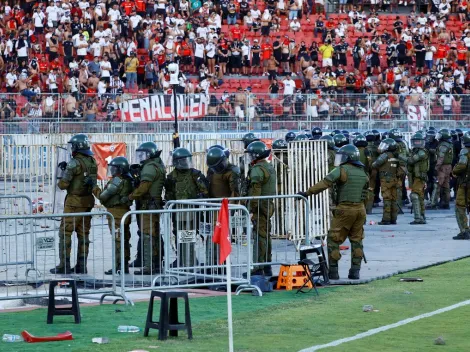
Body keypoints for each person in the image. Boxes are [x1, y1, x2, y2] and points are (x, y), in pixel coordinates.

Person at [298, 145, 368, 280]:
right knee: (357, 240)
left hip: (345, 209)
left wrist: (307, 193)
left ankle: (334, 272)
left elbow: (325, 183)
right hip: (360, 209)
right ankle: (355, 271)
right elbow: (366, 193)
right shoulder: (363, 172)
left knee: (333, 240)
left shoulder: (342, 170)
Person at [50, 134, 98, 274]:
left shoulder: (73, 163)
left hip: (73, 203)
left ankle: (64, 265)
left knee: (65, 233)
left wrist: (64, 171)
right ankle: (82, 266)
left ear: (76, 147)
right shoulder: (92, 161)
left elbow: (63, 185)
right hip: (87, 201)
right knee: (84, 234)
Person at [126, 142, 166, 275]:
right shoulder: (157, 164)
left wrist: (130, 196)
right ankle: (157, 263)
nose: (141, 157)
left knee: (147, 235)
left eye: (143, 154)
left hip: (148, 205)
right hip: (153, 204)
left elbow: (144, 188)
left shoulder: (149, 167)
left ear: (149, 154)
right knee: (154, 234)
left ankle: (149, 267)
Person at [165, 148, 209, 267]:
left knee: (190, 234)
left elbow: (205, 190)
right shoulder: (171, 176)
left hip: (192, 211)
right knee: (178, 234)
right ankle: (181, 258)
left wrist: (199, 197)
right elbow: (169, 194)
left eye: (187, 160)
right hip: (178, 211)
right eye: (182, 161)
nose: (185, 163)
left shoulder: (196, 174)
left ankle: (190, 259)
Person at [94, 157, 133, 274]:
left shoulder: (117, 181)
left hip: (116, 214)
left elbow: (102, 197)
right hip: (124, 213)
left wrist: (94, 187)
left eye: (114, 168)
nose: (112, 171)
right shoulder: (127, 180)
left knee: (118, 241)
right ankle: (124, 265)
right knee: (124, 239)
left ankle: (119, 266)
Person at [206, 145, 240, 268]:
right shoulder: (212, 169)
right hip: (212, 207)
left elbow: (235, 192)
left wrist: (230, 209)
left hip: (224, 208)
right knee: (211, 235)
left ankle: (222, 261)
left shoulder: (232, 171)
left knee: (222, 236)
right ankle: (212, 261)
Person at [245, 141, 276, 276]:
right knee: (265, 235)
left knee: (259, 236)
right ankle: (266, 265)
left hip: (259, 207)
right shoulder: (269, 167)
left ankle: (258, 267)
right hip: (268, 205)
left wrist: (251, 209)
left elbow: (255, 192)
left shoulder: (257, 169)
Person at [372, 138, 399, 225]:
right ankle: (393, 219)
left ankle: (386, 219)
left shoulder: (385, 155)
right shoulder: (395, 156)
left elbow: (375, 164)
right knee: (393, 199)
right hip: (394, 179)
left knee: (387, 199)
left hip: (386, 180)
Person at [407, 132, 429, 225]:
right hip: (416, 177)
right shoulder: (415, 151)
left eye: (418, 141)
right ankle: (422, 216)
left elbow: (411, 161)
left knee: (414, 195)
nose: (416, 143)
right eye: (415, 141)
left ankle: (418, 218)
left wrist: (399, 156)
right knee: (419, 197)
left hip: (420, 177)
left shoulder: (422, 152)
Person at [452, 132, 470, 240]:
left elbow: (462, 165)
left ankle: (464, 231)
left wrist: (455, 171)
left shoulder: (465, 152)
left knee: (460, 207)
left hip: (465, 184)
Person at [430, 128, 454, 209]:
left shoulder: (443, 144)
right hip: (448, 167)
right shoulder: (449, 144)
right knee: (446, 186)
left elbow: (441, 157)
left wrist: (436, 168)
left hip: (442, 167)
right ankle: (446, 203)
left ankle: (433, 203)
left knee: (437, 185)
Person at [364, 130, 379, 214]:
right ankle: (369, 208)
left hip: (365, 170)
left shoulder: (363, 149)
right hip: (374, 170)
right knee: (371, 189)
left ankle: (364, 207)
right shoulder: (377, 148)